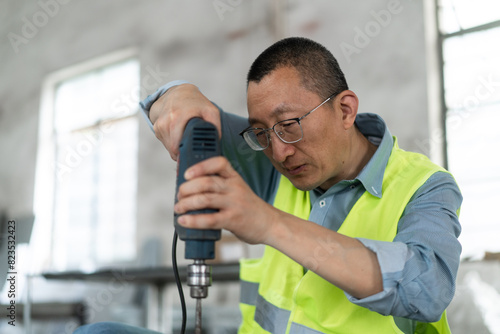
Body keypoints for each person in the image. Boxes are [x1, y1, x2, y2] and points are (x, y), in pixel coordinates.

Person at [76, 37, 462, 334]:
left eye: (289, 125)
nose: (277, 151)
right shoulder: (272, 165)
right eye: (260, 133)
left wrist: (268, 224)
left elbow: (426, 289)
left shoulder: (425, 187)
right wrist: (178, 93)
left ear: (345, 109)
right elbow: (172, 109)